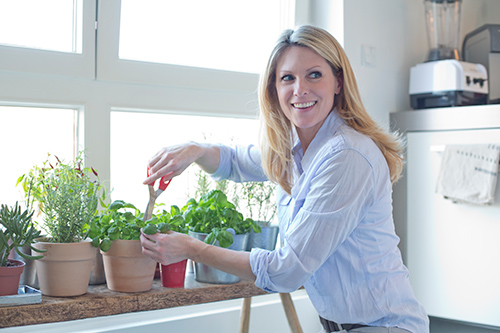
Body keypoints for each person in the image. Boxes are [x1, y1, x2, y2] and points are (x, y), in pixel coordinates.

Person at [140, 25, 429, 333]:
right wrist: (195, 150)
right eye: (287, 78)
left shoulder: (347, 157)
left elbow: (287, 271)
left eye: (314, 75)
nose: (299, 89)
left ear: (338, 82)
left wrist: (193, 249)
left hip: (385, 327)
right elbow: (237, 161)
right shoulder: (293, 149)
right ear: (274, 90)